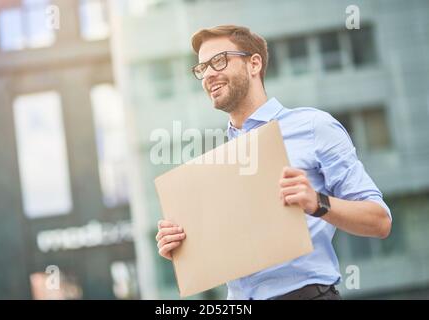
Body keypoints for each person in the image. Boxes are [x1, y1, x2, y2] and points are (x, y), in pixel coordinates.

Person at [155, 25, 392, 300]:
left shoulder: (313, 126)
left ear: (253, 63)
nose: (208, 74)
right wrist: (183, 247)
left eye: (218, 61)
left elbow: (380, 220)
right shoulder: (219, 159)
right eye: (202, 68)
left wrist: (317, 202)